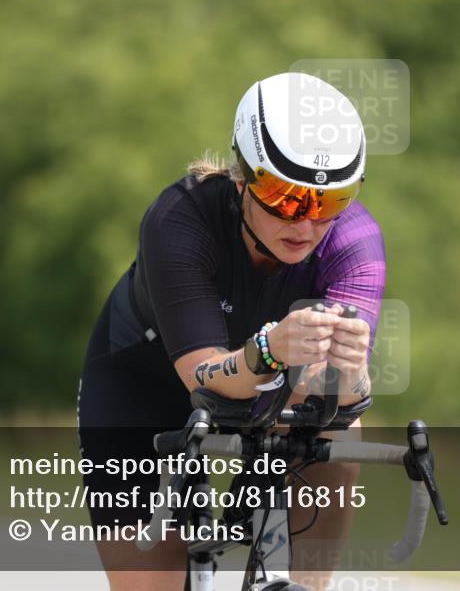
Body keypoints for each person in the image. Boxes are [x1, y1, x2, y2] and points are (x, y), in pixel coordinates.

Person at [77, 72, 387, 591]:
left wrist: (351, 374)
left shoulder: (354, 240)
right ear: (243, 179)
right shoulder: (180, 218)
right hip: (145, 383)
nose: (306, 225)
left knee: (338, 427)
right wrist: (269, 350)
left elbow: (341, 392)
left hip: (271, 391)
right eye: (287, 199)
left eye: (330, 202)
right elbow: (204, 379)